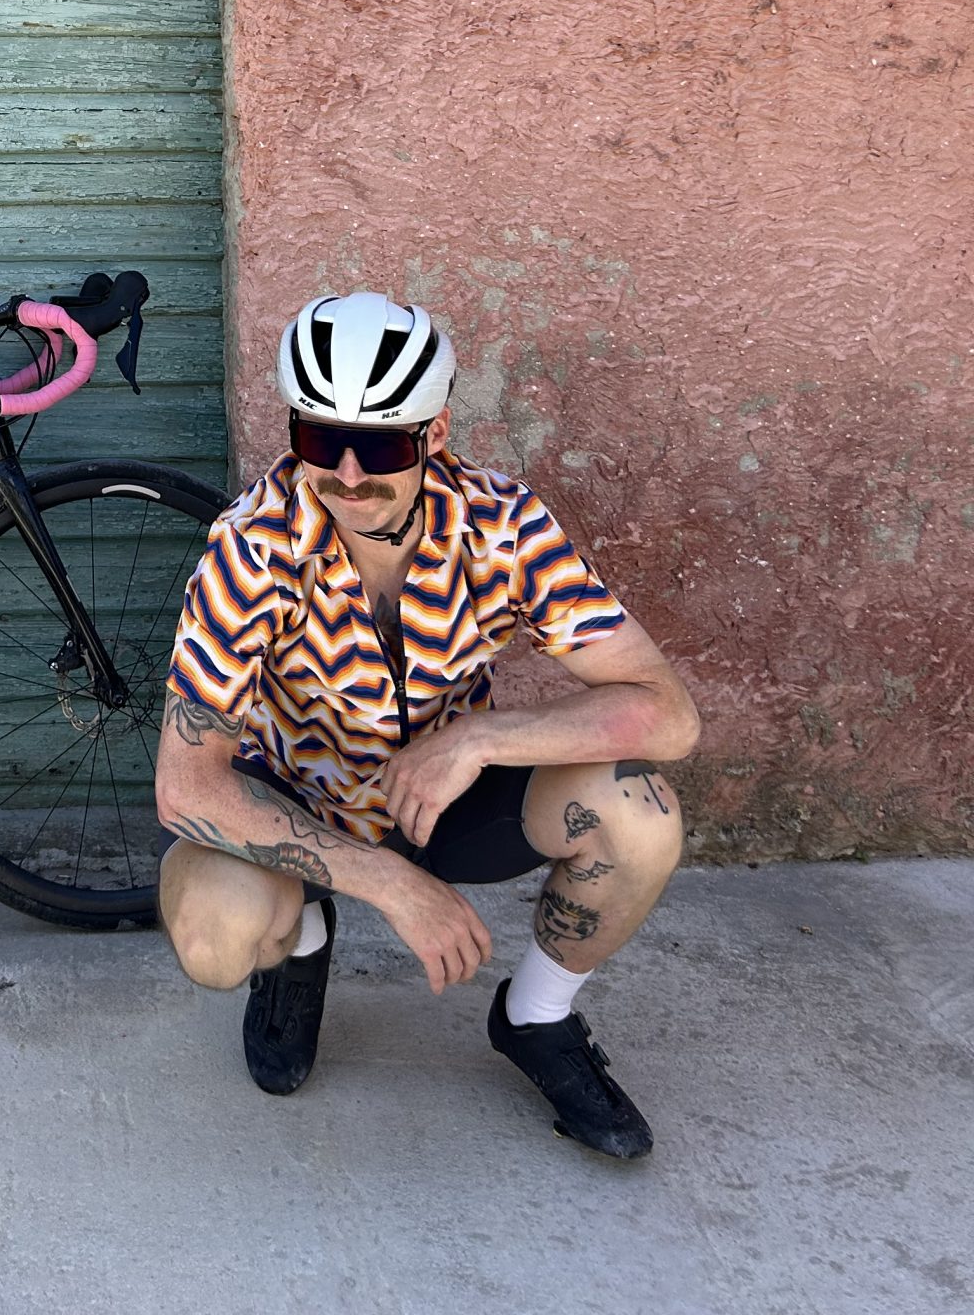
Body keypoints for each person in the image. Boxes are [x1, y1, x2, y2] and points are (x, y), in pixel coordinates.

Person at [157, 291, 699, 1159]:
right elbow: (186, 787)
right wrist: (390, 886)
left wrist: (481, 740)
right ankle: (304, 938)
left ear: (434, 436)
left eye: (377, 445)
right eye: (314, 441)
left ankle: (536, 1018)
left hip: (447, 802)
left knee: (641, 811)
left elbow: (666, 714)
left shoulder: (504, 527)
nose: (345, 474)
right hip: (298, 797)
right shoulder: (250, 549)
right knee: (215, 939)